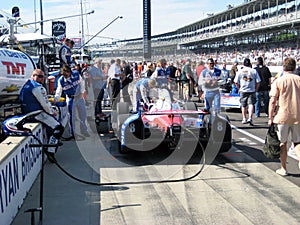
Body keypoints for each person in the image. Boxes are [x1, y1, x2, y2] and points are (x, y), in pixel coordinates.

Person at [19, 69, 64, 162]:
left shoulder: (26, 85)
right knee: (59, 128)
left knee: (50, 127)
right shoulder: (38, 87)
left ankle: (52, 141)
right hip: (36, 114)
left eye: (42, 76)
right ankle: (50, 150)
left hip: (27, 114)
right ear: (33, 76)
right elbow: (45, 105)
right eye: (39, 76)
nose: (41, 78)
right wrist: (52, 112)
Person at [268, 57, 300, 176]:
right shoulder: (299, 79)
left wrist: (270, 117)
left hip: (282, 116)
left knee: (283, 142)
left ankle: (283, 168)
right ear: (294, 67)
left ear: (283, 67)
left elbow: (272, 101)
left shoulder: (279, 81)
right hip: (298, 115)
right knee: (297, 142)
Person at [54, 65, 90, 138]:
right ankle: (72, 133)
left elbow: (82, 83)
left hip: (79, 97)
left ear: (70, 72)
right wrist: (56, 98)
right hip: (70, 99)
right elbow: (59, 91)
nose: (66, 75)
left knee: (83, 115)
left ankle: (84, 130)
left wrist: (82, 92)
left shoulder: (76, 74)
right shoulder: (61, 80)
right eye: (64, 74)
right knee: (71, 117)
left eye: (67, 73)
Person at [234, 58, 261, 125]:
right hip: (251, 89)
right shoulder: (253, 71)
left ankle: (244, 118)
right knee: (251, 104)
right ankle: (250, 118)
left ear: (243, 64)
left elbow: (235, 81)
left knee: (243, 105)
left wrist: (239, 88)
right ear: (250, 64)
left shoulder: (240, 71)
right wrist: (256, 89)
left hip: (243, 89)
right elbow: (258, 81)